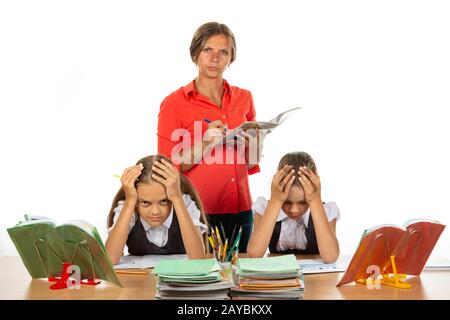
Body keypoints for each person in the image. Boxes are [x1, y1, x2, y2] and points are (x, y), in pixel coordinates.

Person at [157, 22, 264, 252]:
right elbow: (166, 169)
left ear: (230, 58)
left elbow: (251, 163)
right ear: (195, 54)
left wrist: (257, 144)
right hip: (197, 212)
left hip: (242, 211)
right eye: (208, 50)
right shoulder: (174, 104)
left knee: (241, 279)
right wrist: (205, 142)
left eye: (223, 52)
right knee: (203, 280)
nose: (215, 58)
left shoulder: (244, 98)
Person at [105, 155, 207, 264]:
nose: (155, 212)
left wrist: (177, 198)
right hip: (139, 280)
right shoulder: (129, 206)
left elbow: (198, 258)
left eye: (163, 201)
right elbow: (110, 259)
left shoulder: (183, 203)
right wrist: (130, 201)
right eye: (145, 203)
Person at [247, 152, 340, 263]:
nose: (294, 210)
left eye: (303, 202)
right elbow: (254, 254)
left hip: (314, 278)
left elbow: (331, 257)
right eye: (286, 202)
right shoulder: (264, 208)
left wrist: (315, 200)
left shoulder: (326, 211)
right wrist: (276, 200)